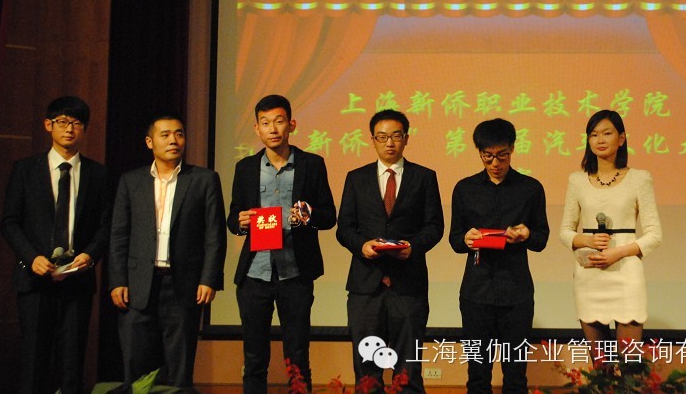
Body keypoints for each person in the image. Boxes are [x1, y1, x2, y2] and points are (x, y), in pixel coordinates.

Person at [227, 94, 336, 393]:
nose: (273, 129)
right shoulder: (245, 168)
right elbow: (233, 218)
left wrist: (309, 216)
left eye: (279, 121)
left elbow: (329, 216)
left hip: (295, 273)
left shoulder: (312, 164)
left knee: (298, 356)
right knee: (254, 358)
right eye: (265, 123)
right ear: (257, 129)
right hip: (255, 274)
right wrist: (240, 222)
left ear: (292, 124)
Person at [108, 113, 226, 389]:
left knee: (179, 366)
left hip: (183, 284)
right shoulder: (131, 181)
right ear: (149, 142)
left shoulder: (204, 179)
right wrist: (117, 280)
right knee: (136, 364)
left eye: (179, 134)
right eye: (165, 135)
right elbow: (119, 235)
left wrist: (208, 279)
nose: (174, 140)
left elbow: (214, 235)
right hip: (138, 284)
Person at [1, 96, 109, 394]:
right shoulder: (25, 170)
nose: (69, 129)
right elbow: (9, 222)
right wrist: (31, 257)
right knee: (34, 363)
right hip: (35, 279)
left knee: (72, 365)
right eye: (62, 122)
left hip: (77, 280)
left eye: (76, 123)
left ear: (84, 129)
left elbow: (105, 225)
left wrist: (91, 255)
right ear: (48, 125)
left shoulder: (98, 174)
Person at [336, 109, 444, 393]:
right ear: (372, 139)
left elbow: (435, 226)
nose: (390, 143)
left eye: (396, 136)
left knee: (408, 370)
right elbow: (344, 227)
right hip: (365, 287)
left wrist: (413, 247)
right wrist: (362, 246)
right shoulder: (356, 178)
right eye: (382, 137)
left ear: (406, 138)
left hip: (408, 286)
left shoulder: (424, 177)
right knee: (367, 370)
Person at [448, 118, 549, 394]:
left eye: (502, 155)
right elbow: (454, 239)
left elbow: (541, 239)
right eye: (488, 156)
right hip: (476, 292)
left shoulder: (530, 188)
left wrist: (527, 234)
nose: (495, 163)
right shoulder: (465, 189)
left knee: (515, 374)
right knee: (477, 374)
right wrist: (466, 239)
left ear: (512, 148)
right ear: (479, 152)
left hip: (516, 292)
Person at [559, 109, 662, 362]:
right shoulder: (577, 180)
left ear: (621, 138)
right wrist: (586, 240)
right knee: (601, 365)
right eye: (594, 135)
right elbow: (565, 231)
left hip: (626, 273)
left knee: (630, 363)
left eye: (607, 133)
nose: (600, 140)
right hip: (589, 273)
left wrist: (618, 252)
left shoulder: (639, 179)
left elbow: (654, 234)